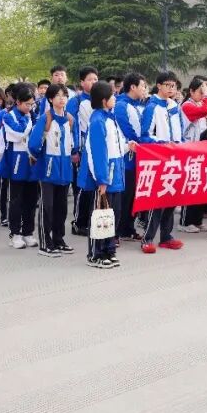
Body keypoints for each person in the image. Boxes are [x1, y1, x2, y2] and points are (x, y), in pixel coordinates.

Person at [79, 80, 127, 268]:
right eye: (112, 96)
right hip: (104, 177)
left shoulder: (110, 118)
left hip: (115, 174)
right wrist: (101, 179)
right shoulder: (98, 120)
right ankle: (95, 253)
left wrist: (127, 147)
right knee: (100, 216)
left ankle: (109, 249)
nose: (115, 98)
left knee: (112, 215)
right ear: (104, 100)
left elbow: (115, 146)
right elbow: (97, 153)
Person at [139, 71, 186, 253]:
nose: (171, 88)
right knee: (156, 199)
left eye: (173, 85)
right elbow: (144, 136)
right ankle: (147, 238)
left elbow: (180, 131)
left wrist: (180, 145)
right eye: (167, 85)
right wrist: (163, 143)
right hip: (159, 158)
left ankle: (166, 237)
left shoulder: (174, 106)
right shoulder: (152, 107)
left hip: (175, 158)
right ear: (159, 86)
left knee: (172, 197)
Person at [28, 83, 75, 256]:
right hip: (48, 169)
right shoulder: (45, 118)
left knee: (61, 208)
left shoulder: (70, 119)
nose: (62, 99)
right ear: (50, 99)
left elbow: (74, 141)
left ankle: (58, 239)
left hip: (65, 168)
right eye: (58, 95)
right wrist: (41, 157)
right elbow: (33, 144)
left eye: (64, 95)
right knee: (47, 206)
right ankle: (45, 242)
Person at [0, 84, 40, 249]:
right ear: (18, 102)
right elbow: (18, 134)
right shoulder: (9, 116)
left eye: (32, 104)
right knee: (16, 200)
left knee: (31, 199)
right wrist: (30, 122)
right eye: (27, 104)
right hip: (16, 160)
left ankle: (28, 232)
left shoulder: (33, 116)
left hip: (31, 160)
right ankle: (15, 233)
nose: (29, 107)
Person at [113, 72, 149, 240]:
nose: (144, 89)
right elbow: (127, 130)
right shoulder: (121, 105)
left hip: (137, 157)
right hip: (126, 157)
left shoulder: (139, 105)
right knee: (124, 196)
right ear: (133, 87)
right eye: (142, 86)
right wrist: (141, 143)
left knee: (133, 195)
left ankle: (128, 228)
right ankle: (118, 230)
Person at [178, 76, 207, 233]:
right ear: (191, 91)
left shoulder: (200, 103)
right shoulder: (187, 105)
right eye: (200, 91)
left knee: (200, 188)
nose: (203, 94)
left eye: (204, 91)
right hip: (189, 151)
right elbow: (205, 110)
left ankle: (197, 220)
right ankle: (185, 222)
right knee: (190, 186)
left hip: (200, 150)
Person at [67, 67, 99, 234]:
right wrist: (74, 150)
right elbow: (71, 127)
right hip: (81, 150)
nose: (93, 82)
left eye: (96, 79)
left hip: (97, 150)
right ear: (82, 82)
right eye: (90, 79)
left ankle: (89, 220)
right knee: (82, 187)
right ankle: (78, 222)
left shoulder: (100, 99)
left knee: (94, 187)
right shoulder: (76, 101)